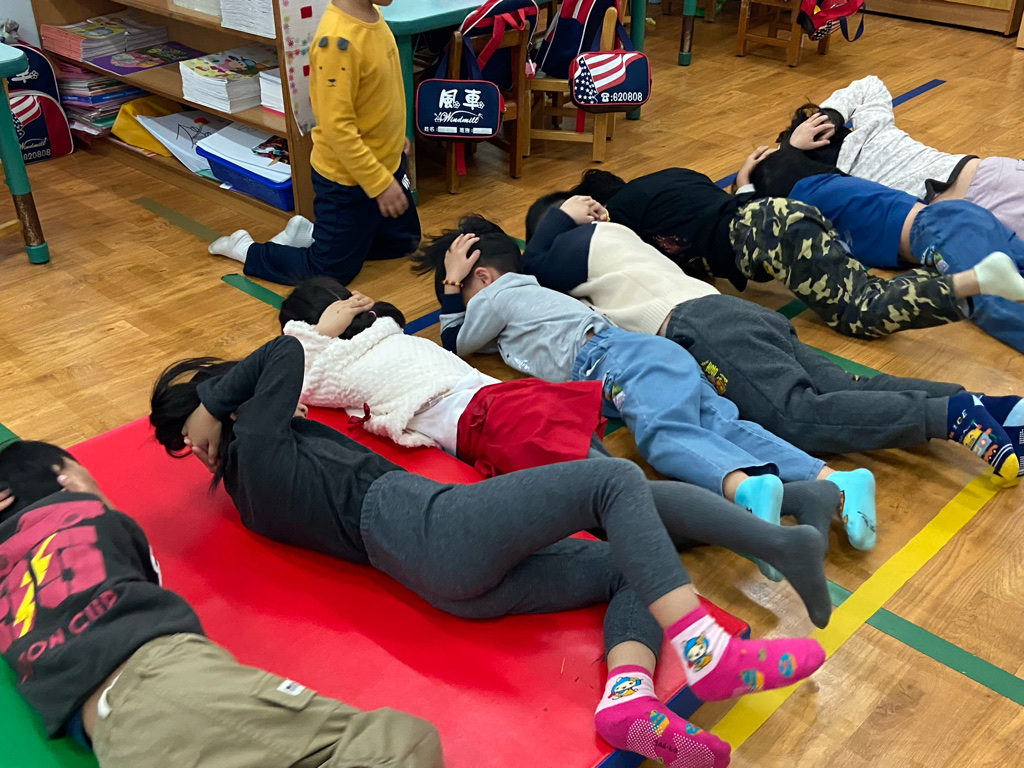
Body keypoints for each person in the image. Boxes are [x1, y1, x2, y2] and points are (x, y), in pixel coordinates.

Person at [149, 335, 830, 768]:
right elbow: (285, 352)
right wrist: (215, 400)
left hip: (437, 577)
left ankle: (629, 697)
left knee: (636, 561)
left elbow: (286, 374)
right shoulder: (256, 445)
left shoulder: (249, 489)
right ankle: (707, 649)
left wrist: (220, 410)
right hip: (428, 526)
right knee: (614, 480)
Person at [410, 215, 882, 553]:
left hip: (616, 360)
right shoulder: (534, 291)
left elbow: (456, 340)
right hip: (648, 353)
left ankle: (745, 489)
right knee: (723, 426)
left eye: (467, 292)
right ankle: (837, 480)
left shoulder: (497, 293)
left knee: (663, 436)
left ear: (483, 277)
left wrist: (452, 285)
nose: (469, 304)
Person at [520, 191, 1023, 485]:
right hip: (733, 314)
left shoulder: (581, 240)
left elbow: (534, 266)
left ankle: (949, 416)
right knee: (842, 388)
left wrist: (559, 217)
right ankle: (995, 408)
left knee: (793, 414)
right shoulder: (621, 242)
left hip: (700, 325)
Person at [0, 440, 444, 768]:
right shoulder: (86, 513)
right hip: (164, 685)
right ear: (67, 478)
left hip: (112, 742)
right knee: (397, 743)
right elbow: (148, 578)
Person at [563, 166, 1024, 344]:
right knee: (863, 292)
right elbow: (720, 210)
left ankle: (973, 281)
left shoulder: (621, 214)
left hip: (772, 235)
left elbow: (637, 267)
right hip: (782, 216)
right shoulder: (673, 178)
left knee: (860, 311)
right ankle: (970, 281)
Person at [278, 277, 606, 477]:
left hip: (488, 416)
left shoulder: (340, 363)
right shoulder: (379, 334)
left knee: (603, 482)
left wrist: (318, 333)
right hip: (497, 404)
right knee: (603, 473)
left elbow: (294, 373)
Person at [208, 0, 420, 286]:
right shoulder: (336, 43)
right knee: (330, 273)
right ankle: (247, 250)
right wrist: (379, 184)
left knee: (403, 242)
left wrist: (393, 136)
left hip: (386, 164)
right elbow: (337, 129)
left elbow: (379, 92)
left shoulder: (373, 15)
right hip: (348, 180)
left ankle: (313, 236)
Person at [739, 144, 1024, 354]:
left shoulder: (803, 202)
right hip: (962, 216)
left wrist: (742, 185)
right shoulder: (829, 183)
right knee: (1013, 274)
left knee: (992, 299)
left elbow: (753, 219)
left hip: (939, 228)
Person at [778, 76, 1024, 239]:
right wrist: (826, 118)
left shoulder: (840, 184)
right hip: (988, 180)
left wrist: (825, 119)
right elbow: (869, 86)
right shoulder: (867, 139)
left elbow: (869, 85)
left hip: (981, 192)